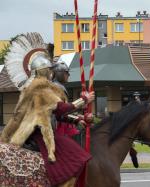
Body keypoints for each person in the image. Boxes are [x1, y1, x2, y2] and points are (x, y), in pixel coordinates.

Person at [0, 33, 93, 186]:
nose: (52, 72)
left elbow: (54, 114)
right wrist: (84, 100)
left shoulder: (36, 86)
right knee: (75, 155)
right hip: (38, 133)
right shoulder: (40, 87)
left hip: (41, 129)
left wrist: (77, 119)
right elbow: (60, 109)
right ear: (44, 71)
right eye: (49, 69)